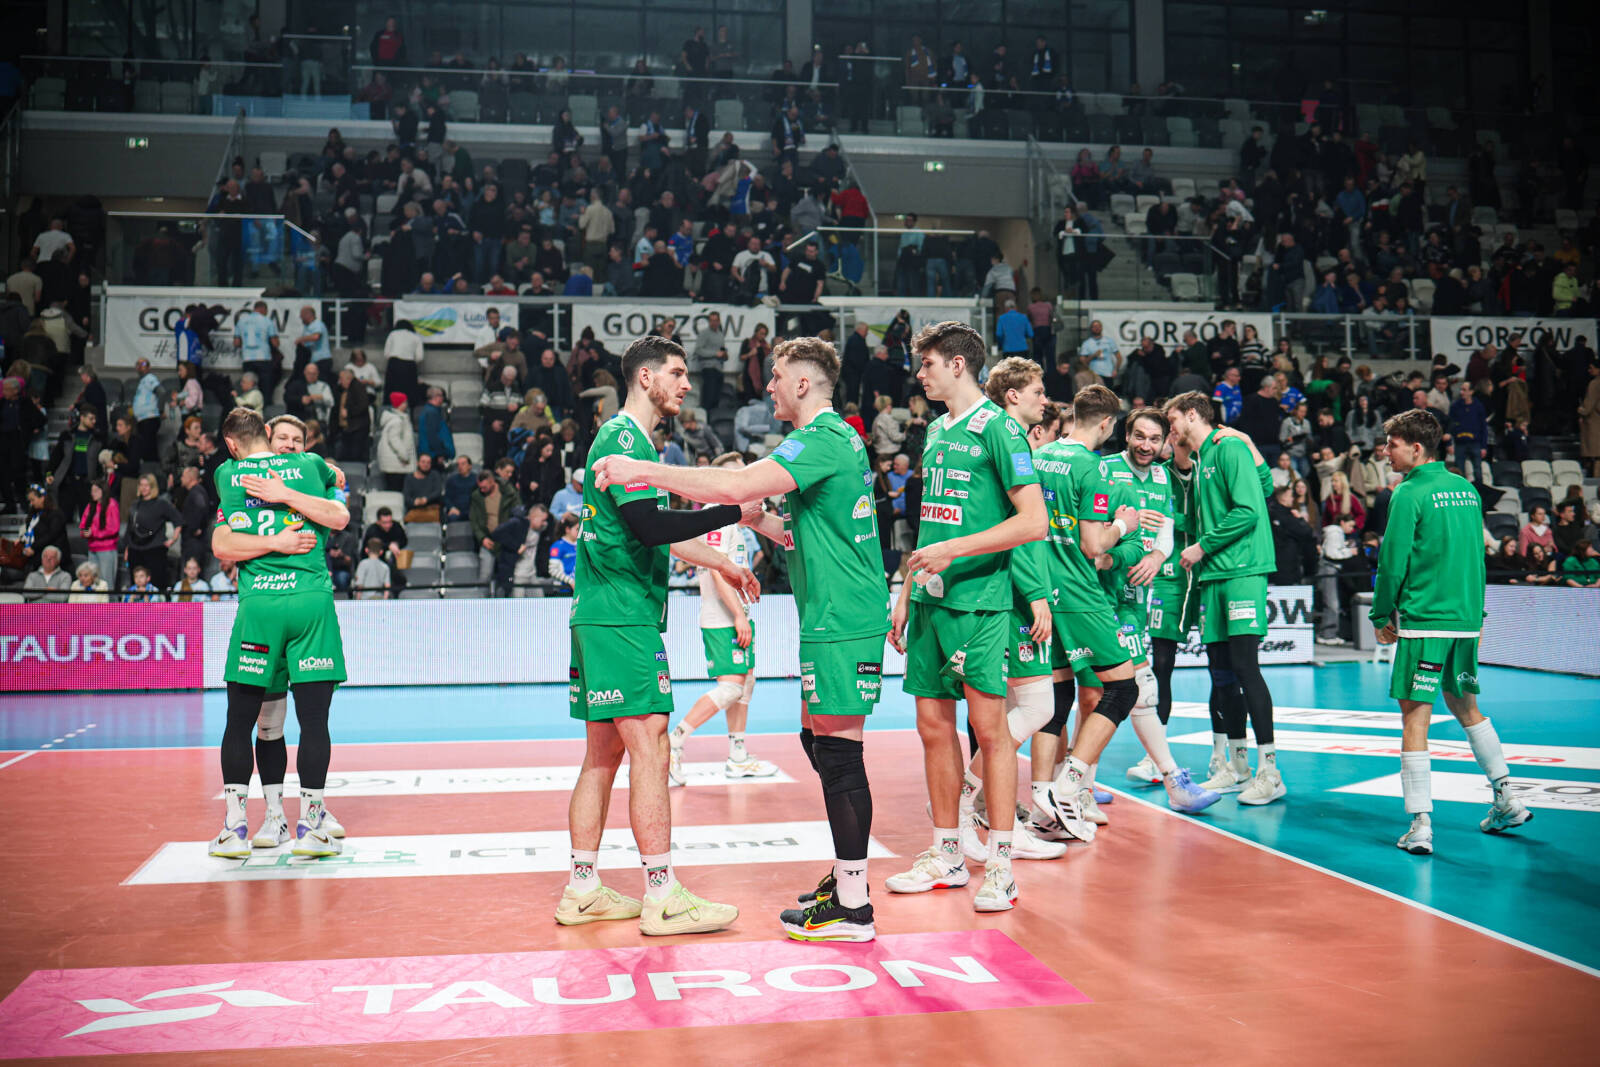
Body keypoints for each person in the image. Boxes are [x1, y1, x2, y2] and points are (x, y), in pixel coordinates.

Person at [592, 335, 888, 942]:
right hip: (829, 614)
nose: (768, 385)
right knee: (817, 739)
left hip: (843, 617)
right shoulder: (831, 440)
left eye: (776, 376)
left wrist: (641, 470)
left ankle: (854, 905)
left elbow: (736, 487)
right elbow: (799, 525)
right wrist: (760, 526)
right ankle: (846, 874)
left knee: (839, 752)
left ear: (802, 383)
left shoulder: (821, 437)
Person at [557, 335, 758, 936]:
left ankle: (583, 889)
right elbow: (649, 526)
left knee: (602, 755)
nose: (686, 383)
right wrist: (734, 512)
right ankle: (662, 894)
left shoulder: (633, 444)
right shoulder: (624, 440)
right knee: (652, 746)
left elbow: (649, 530)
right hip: (622, 617)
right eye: (676, 372)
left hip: (601, 614)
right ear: (645, 378)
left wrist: (719, 560)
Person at [882, 321, 1047, 914]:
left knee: (990, 730)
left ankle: (1000, 864)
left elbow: (1032, 522)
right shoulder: (935, 430)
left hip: (979, 602)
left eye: (926, 363)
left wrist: (955, 550)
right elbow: (935, 524)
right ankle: (948, 853)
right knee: (932, 728)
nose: (919, 373)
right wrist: (906, 591)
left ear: (957, 364)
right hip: (929, 599)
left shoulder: (1001, 428)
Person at [1372, 409, 1532, 855]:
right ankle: (1507, 798)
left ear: (1415, 448)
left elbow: (1392, 561)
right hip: (1465, 620)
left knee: (1414, 718)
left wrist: (1380, 614)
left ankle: (1420, 825)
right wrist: (1476, 616)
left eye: (1391, 445)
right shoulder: (1466, 490)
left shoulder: (1407, 493)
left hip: (1425, 622)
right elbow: (1477, 556)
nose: (1385, 453)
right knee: (1467, 709)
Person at [208, 407, 350, 862]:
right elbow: (336, 497)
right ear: (268, 434)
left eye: (296, 439)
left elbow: (223, 542)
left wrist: (281, 494)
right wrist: (282, 537)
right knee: (308, 722)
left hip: (260, 608)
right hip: (309, 604)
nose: (289, 445)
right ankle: (305, 823)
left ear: (232, 444)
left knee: (239, 720)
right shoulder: (312, 467)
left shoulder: (226, 474)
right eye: (282, 438)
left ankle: (235, 828)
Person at [1099, 407, 1221, 812]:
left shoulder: (1160, 477)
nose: (1146, 446)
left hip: (1134, 598)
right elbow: (1089, 531)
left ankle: (1079, 781)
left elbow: (1166, 534)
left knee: (1129, 689)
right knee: (1127, 688)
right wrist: (1122, 525)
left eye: (1154, 439)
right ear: (1126, 434)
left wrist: (1154, 556)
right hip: (1098, 593)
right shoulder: (1104, 469)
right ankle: (1171, 780)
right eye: (1139, 436)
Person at [1165, 391, 1283, 805]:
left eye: (1173, 420)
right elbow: (1260, 486)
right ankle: (1238, 767)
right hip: (1213, 575)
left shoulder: (1228, 447)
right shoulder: (1202, 461)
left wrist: (1202, 546)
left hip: (1242, 571)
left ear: (1192, 415)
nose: (1170, 429)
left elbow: (1249, 510)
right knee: (1221, 674)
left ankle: (1271, 772)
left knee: (1246, 668)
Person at [661, 454, 780, 786]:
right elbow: (716, 568)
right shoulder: (717, 516)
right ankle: (674, 741)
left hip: (736, 614)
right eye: (738, 474)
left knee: (746, 683)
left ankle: (738, 756)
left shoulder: (734, 518)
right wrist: (739, 615)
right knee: (730, 688)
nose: (746, 479)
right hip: (722, 617)